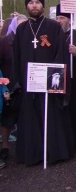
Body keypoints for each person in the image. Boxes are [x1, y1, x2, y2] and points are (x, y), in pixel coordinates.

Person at [11, 0, 74, 165]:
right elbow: (16, 56)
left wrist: (54, 79)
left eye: (37, 3)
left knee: (51, 116)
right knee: (30, 117)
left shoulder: (53, 27)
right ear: (27, 6)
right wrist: (17, 81)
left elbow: (60, 53)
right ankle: (32, 154)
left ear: (43, 6)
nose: (34, 6)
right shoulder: (22, 29)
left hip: (49, 83)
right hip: (28, 83)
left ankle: (53, 153)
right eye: (31, 3)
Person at [55, 4, 76, 149]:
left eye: (62, 18)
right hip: (57, 78)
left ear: (69, 20)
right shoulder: (51, 34)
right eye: (57, 18)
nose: (59, 21)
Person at [0, 14, 27, 166]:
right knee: (7, 118)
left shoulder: (29, 42)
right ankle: (4, 147)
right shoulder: (4, 42)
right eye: (20, 24)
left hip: (26, 85)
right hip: (9, 86)